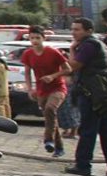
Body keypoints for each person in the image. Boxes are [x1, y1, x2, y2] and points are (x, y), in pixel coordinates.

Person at [53, 18, 107, 176]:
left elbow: (73, 66)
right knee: (106, 130)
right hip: (100, 93)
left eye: (77, 29)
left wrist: (72, 49)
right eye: (72, 29)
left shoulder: (89, 45)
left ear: (88, 31)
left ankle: (82, 165)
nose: (73, 32)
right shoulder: (98, 43)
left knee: (89, 129)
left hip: (91, 93)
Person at [20, 26, 70, 156]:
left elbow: (68, 69)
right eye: (32, 38)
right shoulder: (28, 54)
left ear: (44, 38)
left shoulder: (53, 52)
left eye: (37, 38)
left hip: (57, 87)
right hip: (41, 90)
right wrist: (30, 89)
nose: (35, 41)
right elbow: (27, 72)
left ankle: (48, 139)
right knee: (50, 117)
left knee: (50, 108)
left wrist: (53, 76)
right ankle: (59, 147)